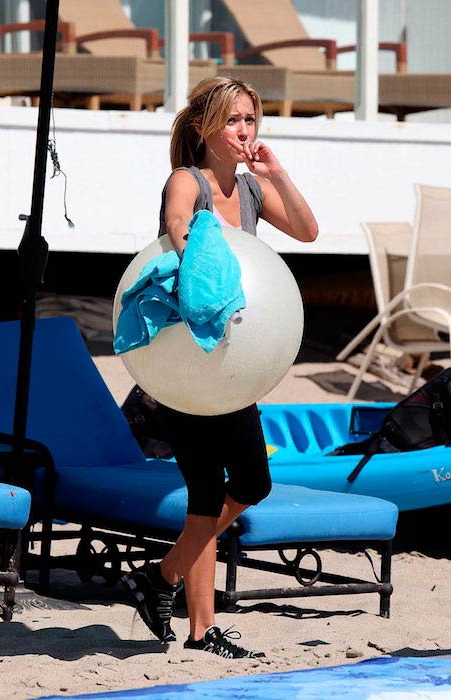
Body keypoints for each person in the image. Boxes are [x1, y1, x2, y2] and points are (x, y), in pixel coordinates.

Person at [122, 76, 318, 659]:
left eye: (250, 121)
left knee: (249, 483)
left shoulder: (253, 190)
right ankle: (200, 630)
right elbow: (179, 224)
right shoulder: (188, 180)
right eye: (233, 120)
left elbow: (308, 231)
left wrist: (277, 171)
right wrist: (203, 260)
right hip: (187, 360)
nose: (243, 131)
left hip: (233, 363)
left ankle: (158, 578)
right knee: (206, 493)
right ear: (205, 127)